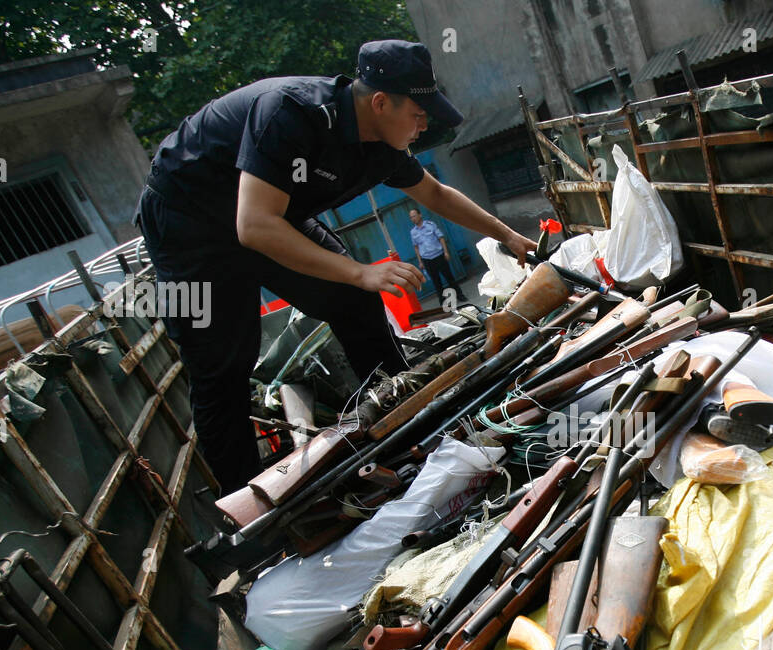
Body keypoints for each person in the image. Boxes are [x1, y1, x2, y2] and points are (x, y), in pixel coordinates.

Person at [135, 39, 534, 493]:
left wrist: (506, 234)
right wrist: (362, 270)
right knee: (223, 367)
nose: (424, 126)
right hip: (191, 223)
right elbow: (253, 227)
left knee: (355, 300)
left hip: (268, 214)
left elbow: (435, 194)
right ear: (381, 102)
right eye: (418, 115)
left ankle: (403, 430)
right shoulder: (289, 113)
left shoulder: (381, 143)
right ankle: (246, 510)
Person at [409, 208, 465, 303]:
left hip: (439, 256)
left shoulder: (430, 225)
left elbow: (441, 238)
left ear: (420, 215)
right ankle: (442, 302)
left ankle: (460, 296)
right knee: (436, 282)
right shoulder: (413, 232)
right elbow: (416, 247)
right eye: (411, 217)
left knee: (449, 278)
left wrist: (446, 252)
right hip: (427, 259)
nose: (413, 218)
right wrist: (420, 261)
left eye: (414, 216)